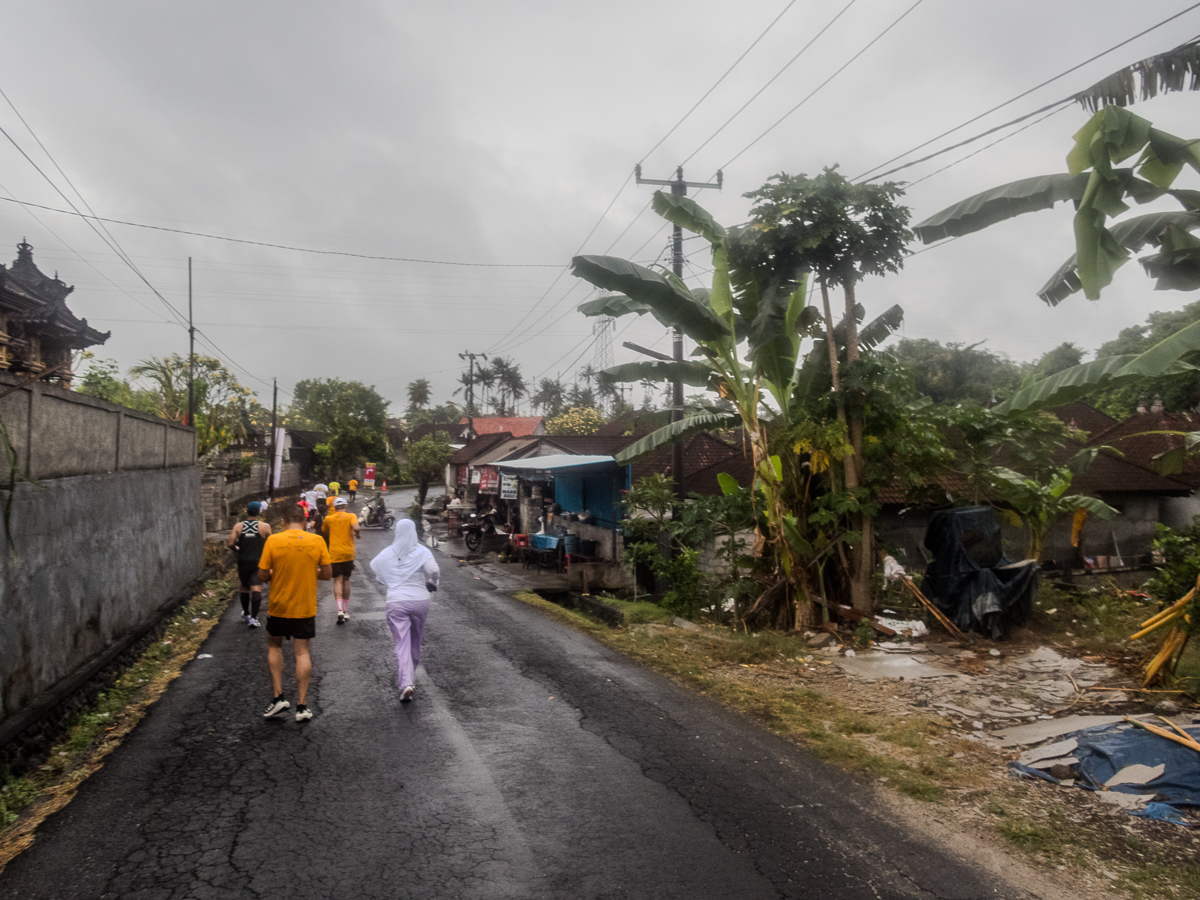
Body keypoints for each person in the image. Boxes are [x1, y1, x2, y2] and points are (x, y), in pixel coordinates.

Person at [257, 503, 332, 722]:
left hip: (278, 606)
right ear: (305, 522)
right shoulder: (316, 541)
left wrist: (277, 572)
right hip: (304, 608)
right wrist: (308, 570)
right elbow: (327, 574)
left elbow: (262, 576)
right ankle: (301, 706)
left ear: (283, 522)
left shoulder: (273, 540)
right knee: (302, 653)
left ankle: (278, 696)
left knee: (274, 646)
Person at [370, 519, 439, 702]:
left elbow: (376, 567)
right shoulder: (422, 550)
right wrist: (432, 582)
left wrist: (392, 580)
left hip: (396, 602)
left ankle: (407, 682)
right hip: (420, 600)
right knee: (416, 641)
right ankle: (409, 677)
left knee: (402, 643)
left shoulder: (389, 552)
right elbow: (433, 569)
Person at [228, 501, 272, 628]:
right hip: (258, 562)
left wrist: (237, 549)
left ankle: (246, 614)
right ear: (259, 512)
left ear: (247, 511)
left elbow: (230, 543)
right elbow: (272, 543)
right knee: (256, 588)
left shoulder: (238, 526)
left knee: (244, 587)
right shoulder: (265, 527)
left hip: (243, 561)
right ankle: (254, 618)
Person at [322, 496, 361, 624]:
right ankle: (346, 611)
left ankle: (339, 611)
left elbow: (324, 530)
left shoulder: (329, 519)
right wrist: (357, 534)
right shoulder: (351, 516)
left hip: (335, 554)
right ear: (345, 506)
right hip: (348, 554)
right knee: (346, 580)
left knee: (337, 581)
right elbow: (356, 527)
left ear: (334, 507)